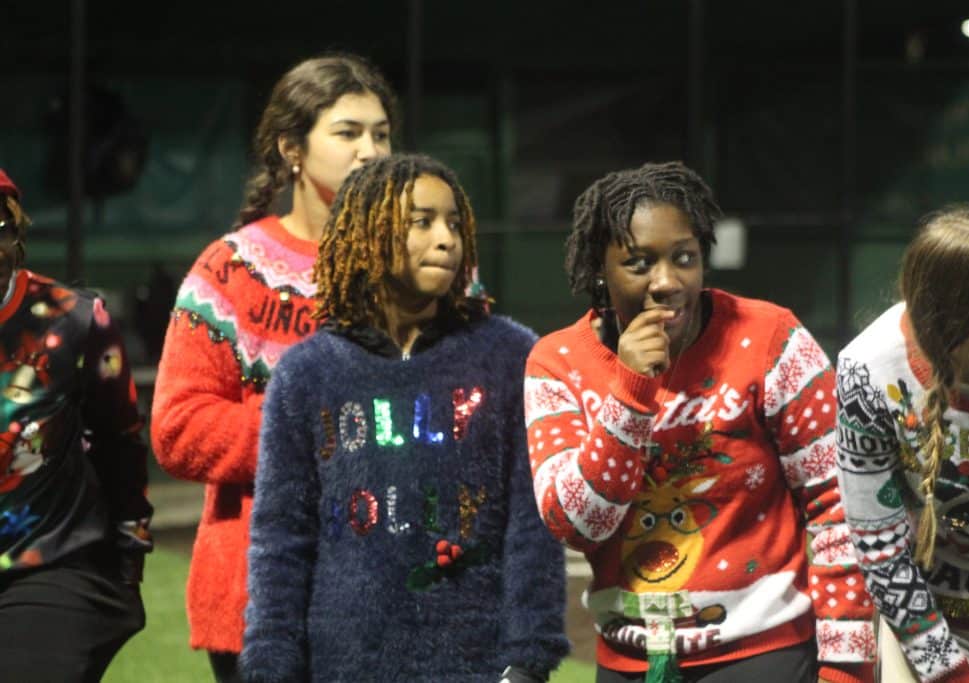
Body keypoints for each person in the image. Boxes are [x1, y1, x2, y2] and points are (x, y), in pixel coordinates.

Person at [526, 161, 875, 682]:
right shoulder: (556, 364)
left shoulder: (773, 338)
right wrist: (630, 392)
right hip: (628, 660)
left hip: (763, 654)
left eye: (684, 258)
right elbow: (578, 527)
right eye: (639, 262)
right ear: (600, 268)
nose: (667, 282)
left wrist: (848, 667)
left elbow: (837, 505)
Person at [240, 154, 569, 682]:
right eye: (423, 222)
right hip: (342, 663)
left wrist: (529, 658)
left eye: (454, 223)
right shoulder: (306, 373)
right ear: (369, 233)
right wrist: (272, 664)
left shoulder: (510, 356)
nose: (447, 239)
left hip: (478, 664)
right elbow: (281, 537)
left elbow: (532, 525)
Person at [149, 52, 398, 682]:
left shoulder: (427, 263)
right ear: (292, 148)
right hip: (265, 602)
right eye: (347, 133)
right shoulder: (230, 271)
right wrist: (319, 432)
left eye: (381, 134)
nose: (370, 150)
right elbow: (179, 426)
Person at [836, 207, 969, 683]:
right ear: (963, 326)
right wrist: (949, 675)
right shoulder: (868, 372)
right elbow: (881, 551)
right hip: (938, 625)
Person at [0, 169, 152, 681]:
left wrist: (131, 540)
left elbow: (120, 441)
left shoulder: (75, 322)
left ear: (15, 235)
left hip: (48, 562)